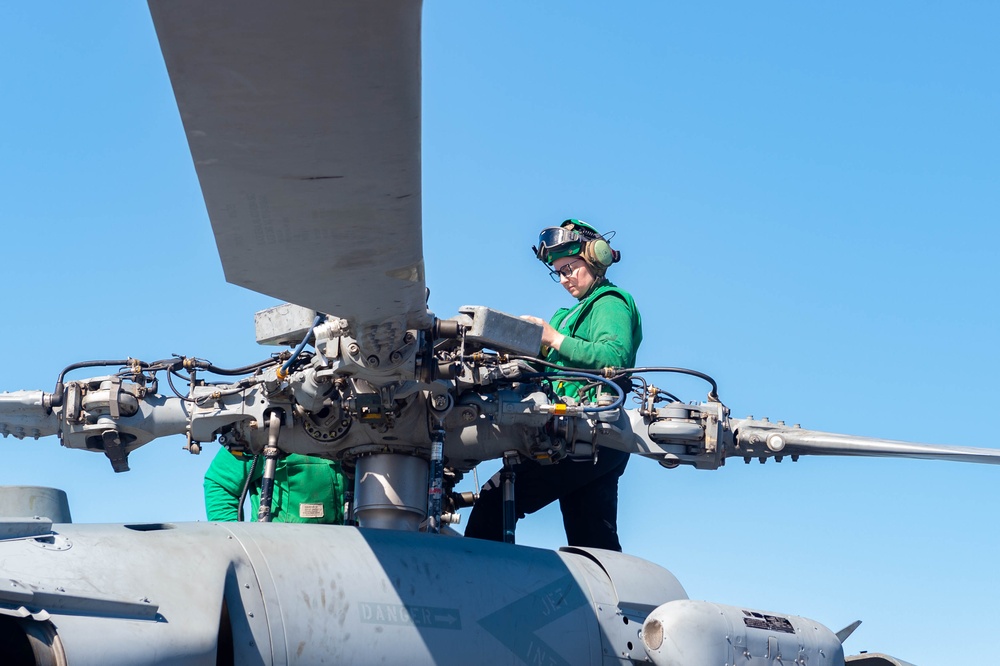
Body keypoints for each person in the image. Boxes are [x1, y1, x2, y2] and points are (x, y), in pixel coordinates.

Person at [465, 219, 642, 551]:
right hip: (578, 439)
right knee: (593, 542)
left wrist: (553, 338)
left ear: (595, 259)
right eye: (558, 273)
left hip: (591, 434)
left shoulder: (610, 303)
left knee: (494, 502)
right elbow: (539, 367)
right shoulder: (565, 316)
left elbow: (613, 356)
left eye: (570, 268)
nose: (565, 279)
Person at [203, 447, 348, 524]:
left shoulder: (357, 424)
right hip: (277, 554)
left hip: (348, 551)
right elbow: (221, 484)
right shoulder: (264, 425)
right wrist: (235, 544)